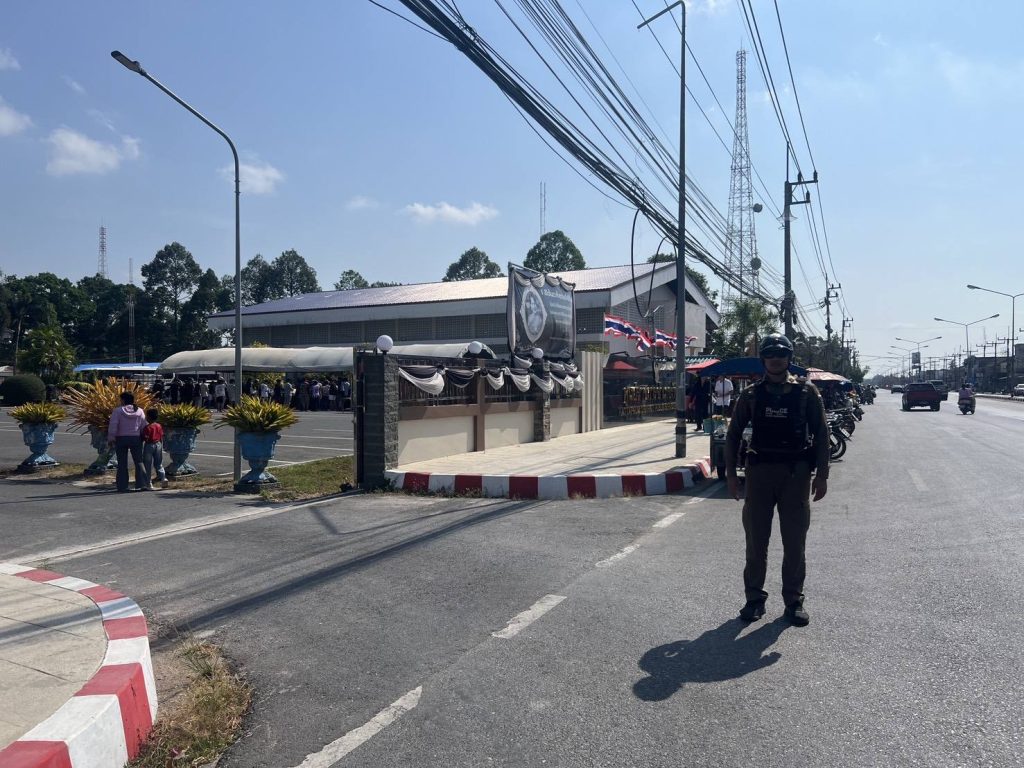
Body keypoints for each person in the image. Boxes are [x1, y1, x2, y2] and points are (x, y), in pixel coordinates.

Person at [725, 334, 830, 627]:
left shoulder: (807, 392)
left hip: (795, 475)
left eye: (781, 354)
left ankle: (793, 601)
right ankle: (754, 599)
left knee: (795, 542)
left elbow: (821, 434)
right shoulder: (751, 394)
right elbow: (733, 435)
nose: (775, 359)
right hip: (759, 475)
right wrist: (731, 475)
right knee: (756, 541)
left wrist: (822, 475)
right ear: (763, 359)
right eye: (770, 354)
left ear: (789, 358)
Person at [107, 391, 148, 493]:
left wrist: (111, 438)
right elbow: (144, 425)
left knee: (122, 463)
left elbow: (113, 425)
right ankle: (142, 484)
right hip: (136, 438)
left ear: (123, 400)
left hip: (121, 438)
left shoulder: (118, 411)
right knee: (139, 461)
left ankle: (122, 486)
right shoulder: (140, 411)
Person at [141, 408, 167, 490]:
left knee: (147, 464)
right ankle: (163, 478)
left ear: (148, 417)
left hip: (149, 445)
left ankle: (149, 483)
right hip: (158, 444)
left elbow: (145, 437)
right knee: (158, 463)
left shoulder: (147, 427)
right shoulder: (159, 425)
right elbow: (161, 436)